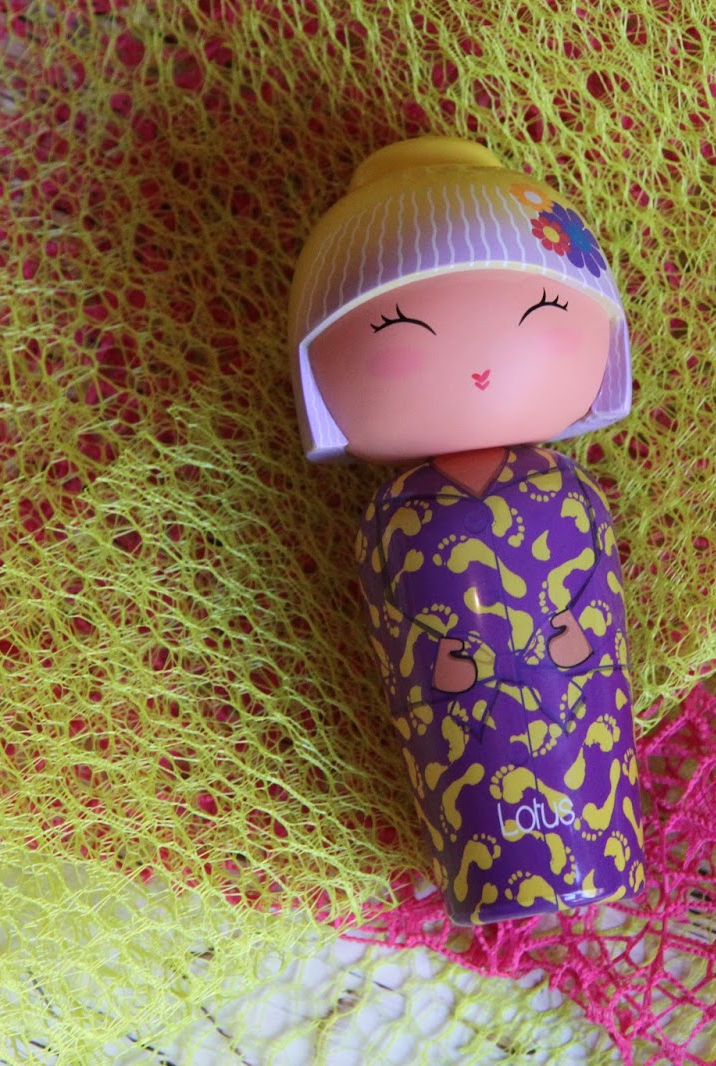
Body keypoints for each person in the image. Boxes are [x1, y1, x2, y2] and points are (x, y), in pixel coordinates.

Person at [289, 136, 644, 924]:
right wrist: (448, 667)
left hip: (579, 756)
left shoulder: (562, 494)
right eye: (401, 331)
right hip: (467, 752)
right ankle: (499, 871)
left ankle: (591, 853)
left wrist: (570, 643)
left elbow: (593, 622)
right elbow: (407, 647)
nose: (481, 368)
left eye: (541, 314)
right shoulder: (397, 520)